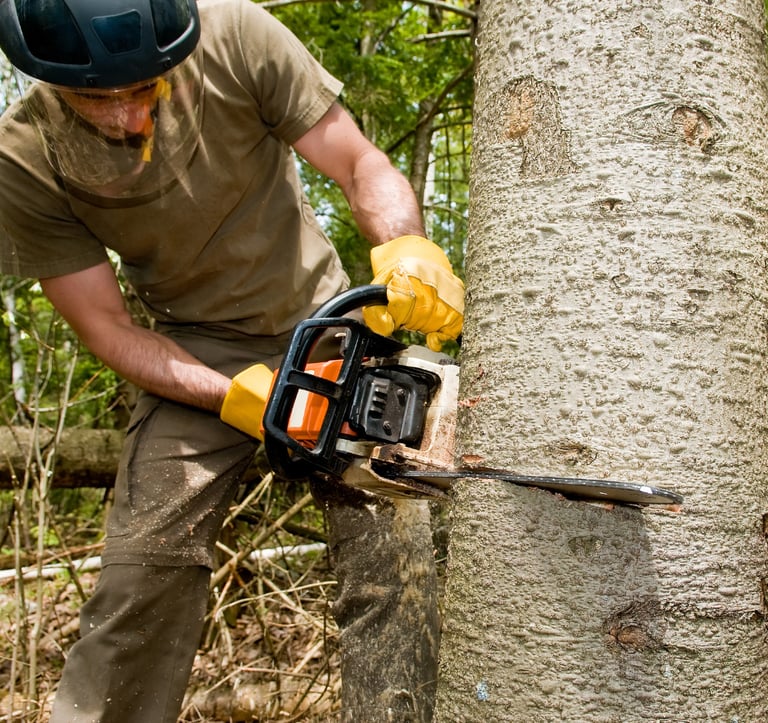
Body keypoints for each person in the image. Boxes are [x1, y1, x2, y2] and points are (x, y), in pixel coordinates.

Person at [0, 0, 464, 721]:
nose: (127, 117)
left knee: (391, 560)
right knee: (143, 567)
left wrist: (406, 248)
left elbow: (358, 161)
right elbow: (106, 326)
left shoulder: (237, 37)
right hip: (188, 349)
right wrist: (230, 396)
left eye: (142, 88)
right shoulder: (23, 158)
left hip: (327, 324)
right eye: (97, 98)